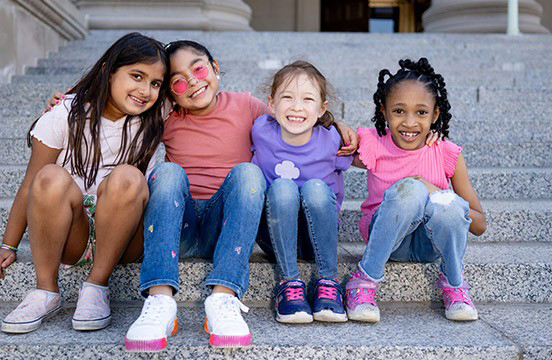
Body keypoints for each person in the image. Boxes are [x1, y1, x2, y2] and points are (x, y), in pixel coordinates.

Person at [123, 41, 358, 352]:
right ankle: (159, 300)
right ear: (170, 93)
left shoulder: (247, 106)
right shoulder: (166, 117)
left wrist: (334, 124)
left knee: (249, 174)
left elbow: (295, 118)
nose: (193, 81)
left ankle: (223, 296)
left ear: (216, 67)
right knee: (167, 174)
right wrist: (67, 102)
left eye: (199, 68)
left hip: (228, 225)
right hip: (181, 224)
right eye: (178, 80)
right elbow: (119, 101)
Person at [0, 32, 169, 334]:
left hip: (124, 237)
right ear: (108, 69)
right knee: (49, 176)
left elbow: (195, 88)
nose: (145, 90)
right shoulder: (66, 113)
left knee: (128, 176)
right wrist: (7, 244)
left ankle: (96, 286)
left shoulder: (154, 120)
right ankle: (45, 290)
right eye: (136, 75)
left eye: (155, 83)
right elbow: (31, 184)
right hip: (70, 235)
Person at [345, 58, 487, 323]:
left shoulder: (446, 153)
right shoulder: (374, 144)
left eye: (421, 113)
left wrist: (433, 190)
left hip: (429, 245)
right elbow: (326, 145)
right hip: (387, 241)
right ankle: (364, 281)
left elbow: (479, 224)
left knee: (445, 202)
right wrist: (340, 127)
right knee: (410, 190)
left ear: (435, 115)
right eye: (399, 111)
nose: (409, 122)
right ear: (383, 111)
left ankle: (455, 286)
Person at [251, 61, 354, 324]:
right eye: (287, 97)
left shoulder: (332, 139)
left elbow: (372, 154)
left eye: (307, 99)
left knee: (315, 188)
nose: (297, 107)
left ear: (321, 109)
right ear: (271, 104)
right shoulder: (261, 129)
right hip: (273, 235)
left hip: (315, 238)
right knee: (282, 188)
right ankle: (289, 284)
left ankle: (328, 281)